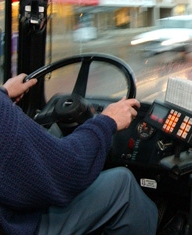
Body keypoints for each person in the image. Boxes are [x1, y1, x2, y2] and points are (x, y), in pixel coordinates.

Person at [0, 73, 158, 235]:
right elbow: (67, 170)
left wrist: (3, 93)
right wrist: (108, 121)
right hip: (16, 224)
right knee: (123, 185)